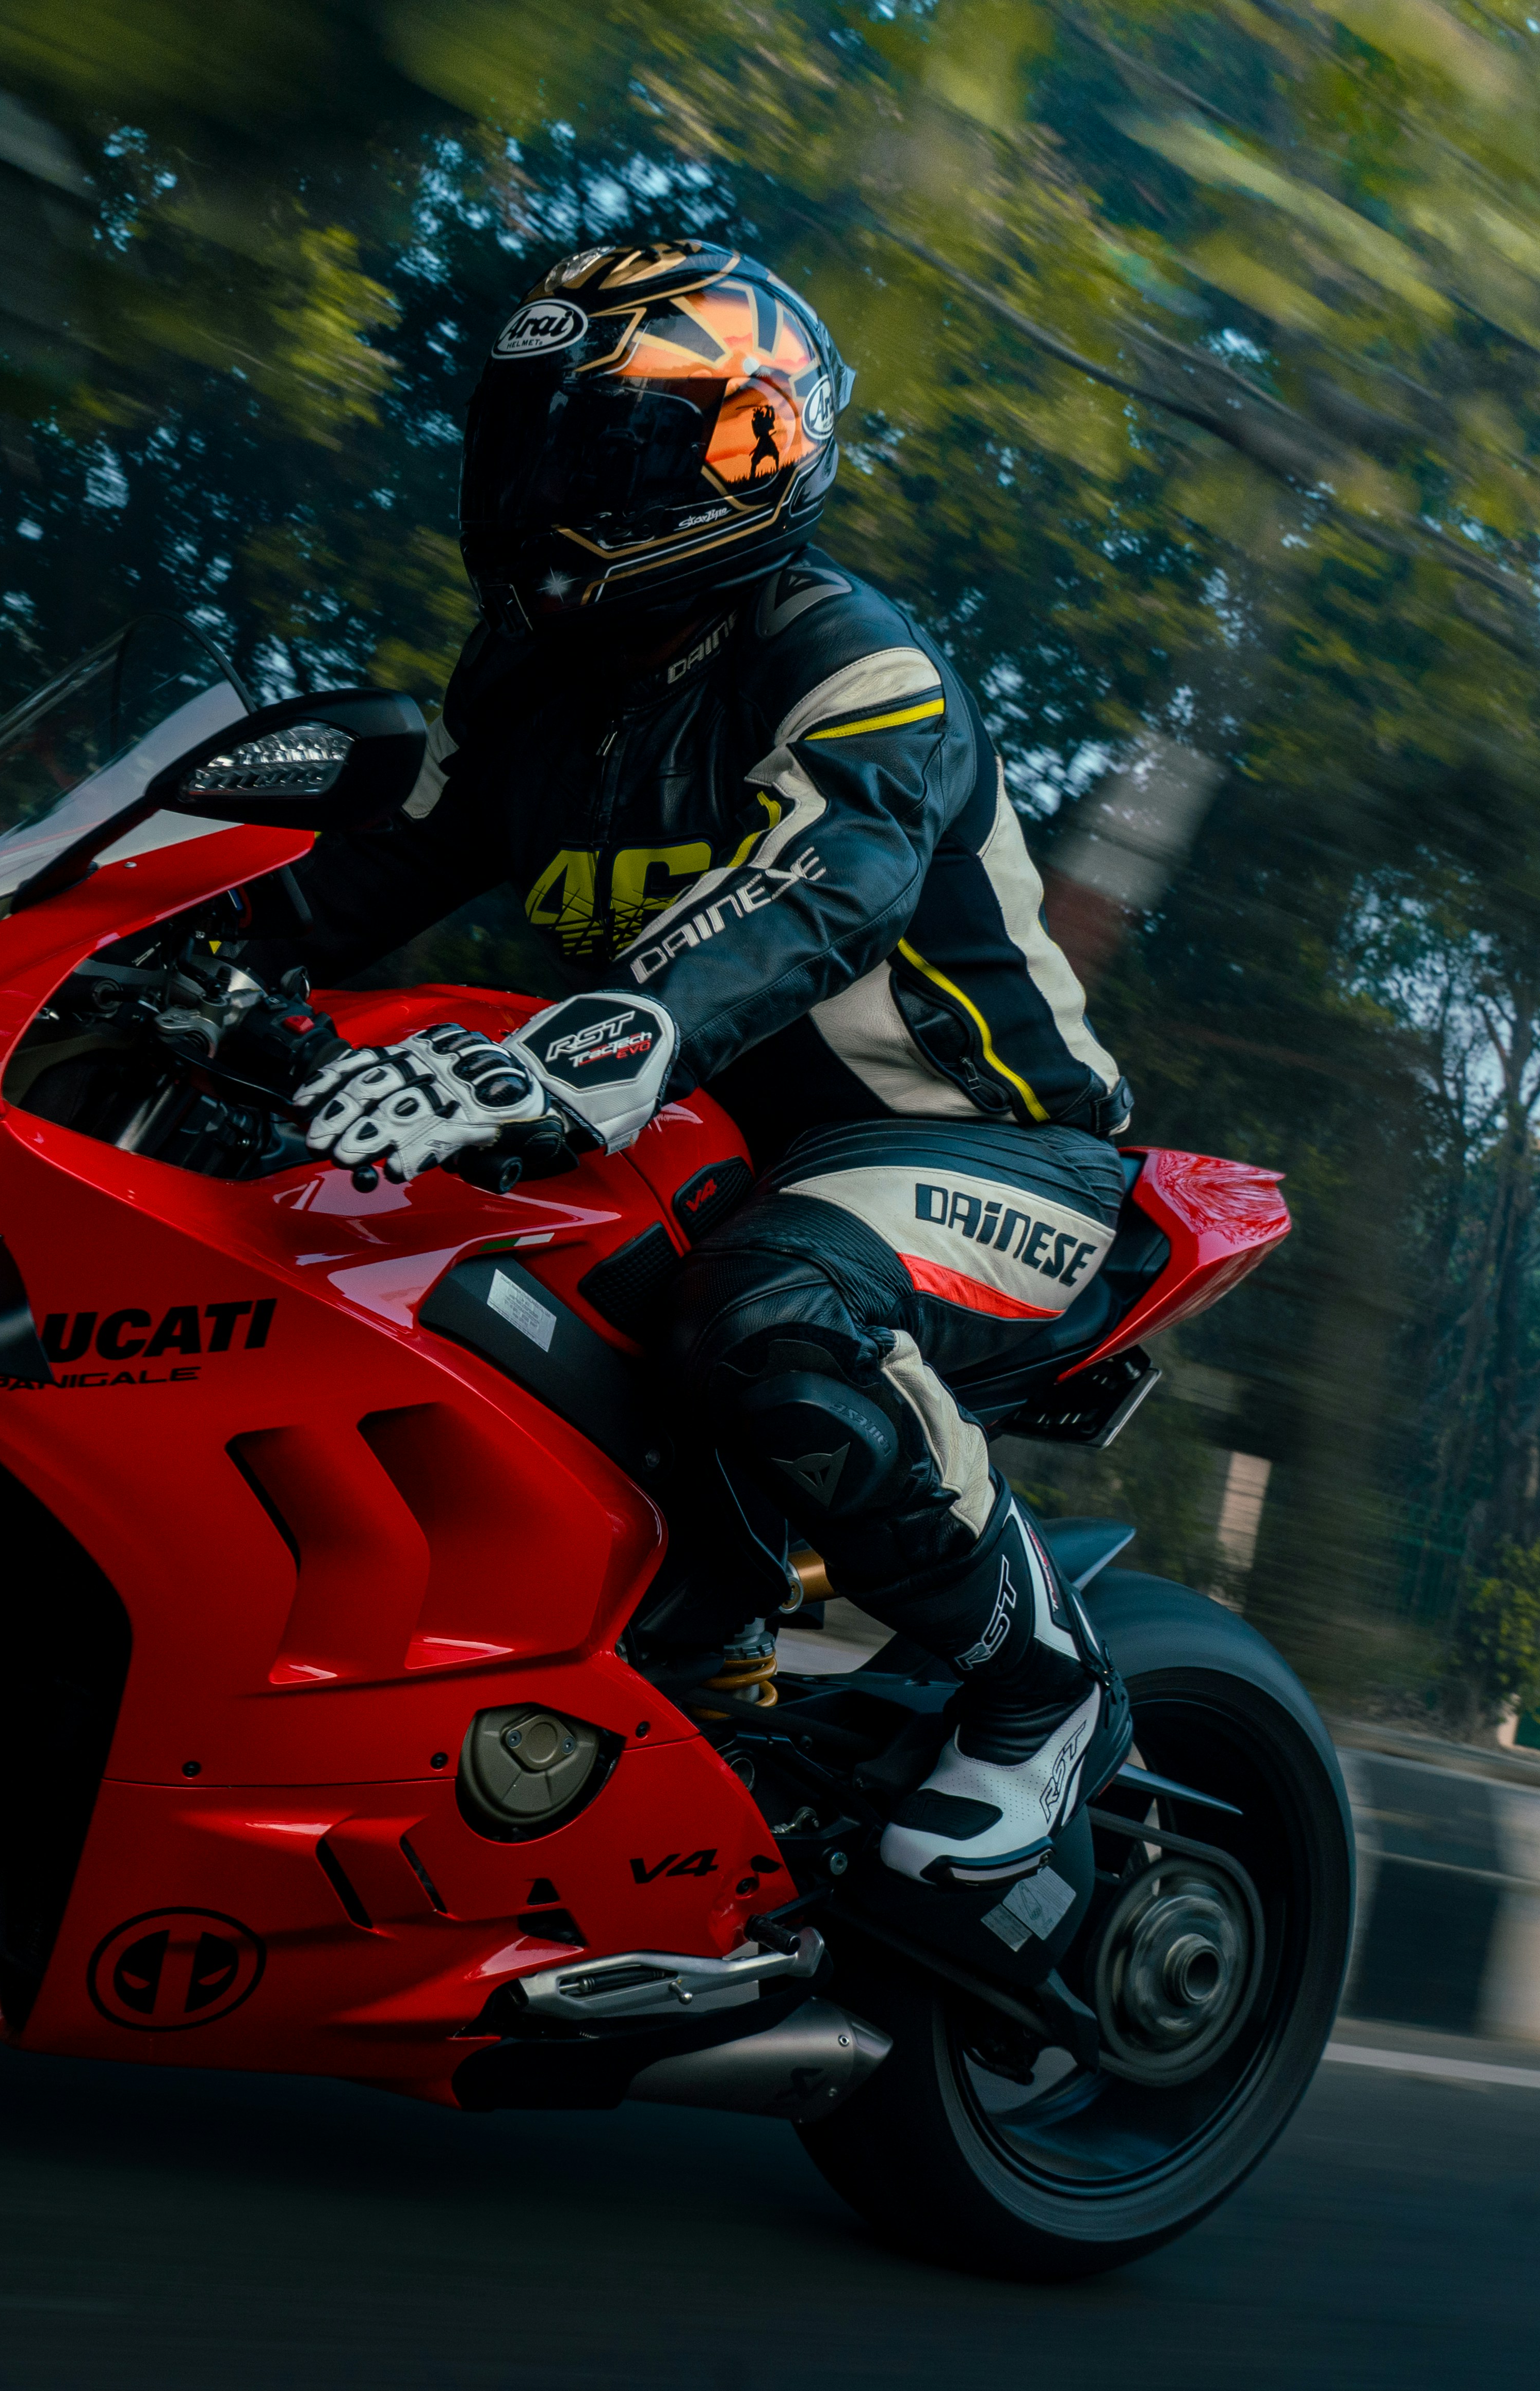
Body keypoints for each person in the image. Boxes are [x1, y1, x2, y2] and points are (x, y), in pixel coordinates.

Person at [273, 240, 1133, 1888]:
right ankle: (641, 1671)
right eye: (523, 441)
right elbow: (361, 875)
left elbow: (816, 894)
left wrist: (565, 1052)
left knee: (772, 1319)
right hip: (687, 1127)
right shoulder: (524, 682)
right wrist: (126, 958)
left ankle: (1039, 1682)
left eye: (588, 450)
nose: (533, 485)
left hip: (981, 1143)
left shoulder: (849, 658)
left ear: (736, 453)